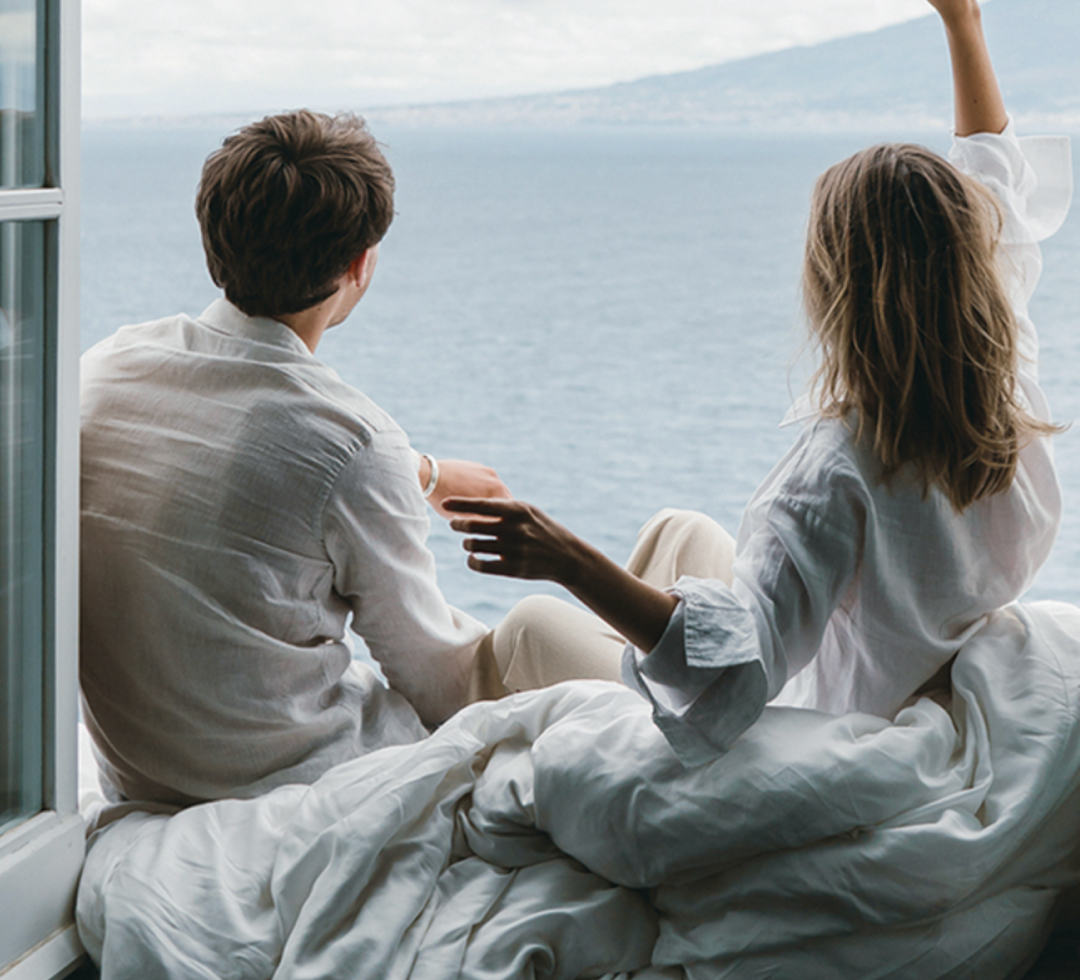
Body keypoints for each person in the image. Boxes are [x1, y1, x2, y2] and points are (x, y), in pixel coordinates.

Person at [451, 0, 1072, 766]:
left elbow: (737, 674)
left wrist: (565, 557)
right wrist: (962, 22)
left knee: (528, 628)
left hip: (826, 726)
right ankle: (627, 662)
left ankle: (475, 744)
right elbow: (994, 182)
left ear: (837, 289)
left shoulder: (838, 467)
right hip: (920, 666)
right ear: (971, 267)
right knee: (680, 531)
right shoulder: (1006, 391)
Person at [80, 110, 509, 807]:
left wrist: (421, 472)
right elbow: (437, 681)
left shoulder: (105, 369)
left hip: (143, 772)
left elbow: (232, 451)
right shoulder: (355, 444)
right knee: (549, 640)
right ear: (359, 265)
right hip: (311, 784)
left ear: (212, 234)